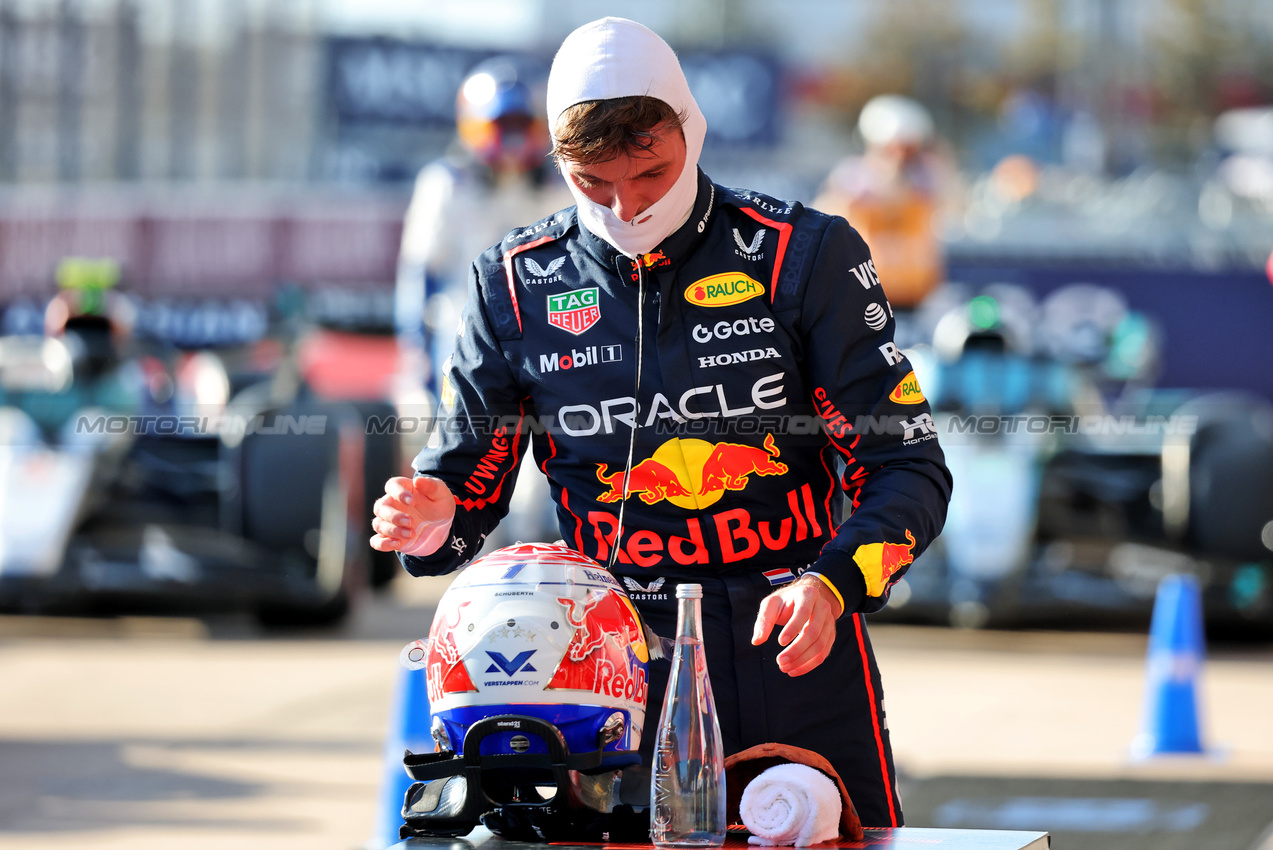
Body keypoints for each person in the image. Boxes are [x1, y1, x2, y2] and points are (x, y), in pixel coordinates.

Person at [372, 18, 952, 829]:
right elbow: (468, 475)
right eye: (594, 183)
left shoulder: (802, 254)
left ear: (691, 128)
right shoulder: (511, 281)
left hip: (796, 636)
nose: (628, 204)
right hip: (607, 669)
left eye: (650, 173)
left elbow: (906, 467)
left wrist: (834, 583)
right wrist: (433, 512)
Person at [813, 94, 959, 310]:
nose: (900, 155)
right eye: (894, 147)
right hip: (865, 293)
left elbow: (953, 202)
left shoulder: (927, 178)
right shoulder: (853, 178)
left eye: (908, 147)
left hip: (918, 293)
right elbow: (824, 219)